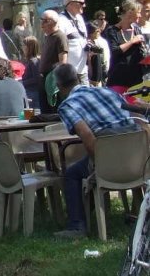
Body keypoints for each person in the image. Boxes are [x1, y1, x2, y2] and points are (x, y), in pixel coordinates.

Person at [53, 64, 138, 237]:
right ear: (77, 78)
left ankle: (77, 226)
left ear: (60, 87)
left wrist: (99, 168)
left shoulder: (68, 105)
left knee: (71, 173)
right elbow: (134, 118)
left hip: (109, 159)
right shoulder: (108, 92)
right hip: (137, 159)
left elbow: (88, 138)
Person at [105, 0, 147, 98]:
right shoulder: (112, 30)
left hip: (136, 78)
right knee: (118, 107)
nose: (140, 16)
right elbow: (115, 51)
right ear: (129, 13)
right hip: (118, 78)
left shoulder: (137, 29)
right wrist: (132, 41)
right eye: (139, 12)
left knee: (135, 109)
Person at [38, 10, 68, 112]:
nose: (41, 25)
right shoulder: (48, 37)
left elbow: (63, 62)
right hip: (44, 79)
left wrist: (56, 83)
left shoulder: (60, 36)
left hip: (53, 80)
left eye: (44, 21)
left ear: (51, 21)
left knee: (52, 111)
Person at [58, 0, 90, 85]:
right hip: (70, 73)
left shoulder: (79, 18)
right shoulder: (61, 20)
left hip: (83, 70)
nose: (84, 5)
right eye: (81, 3)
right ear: (71, 4)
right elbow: (59, 46)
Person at [21, 36, 42, 108]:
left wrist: (22, 82)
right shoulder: (31, 61)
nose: (22, 47)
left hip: (33, 94)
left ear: (29, 47)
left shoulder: (34, 61)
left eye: (24, 45)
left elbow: (36, 78)